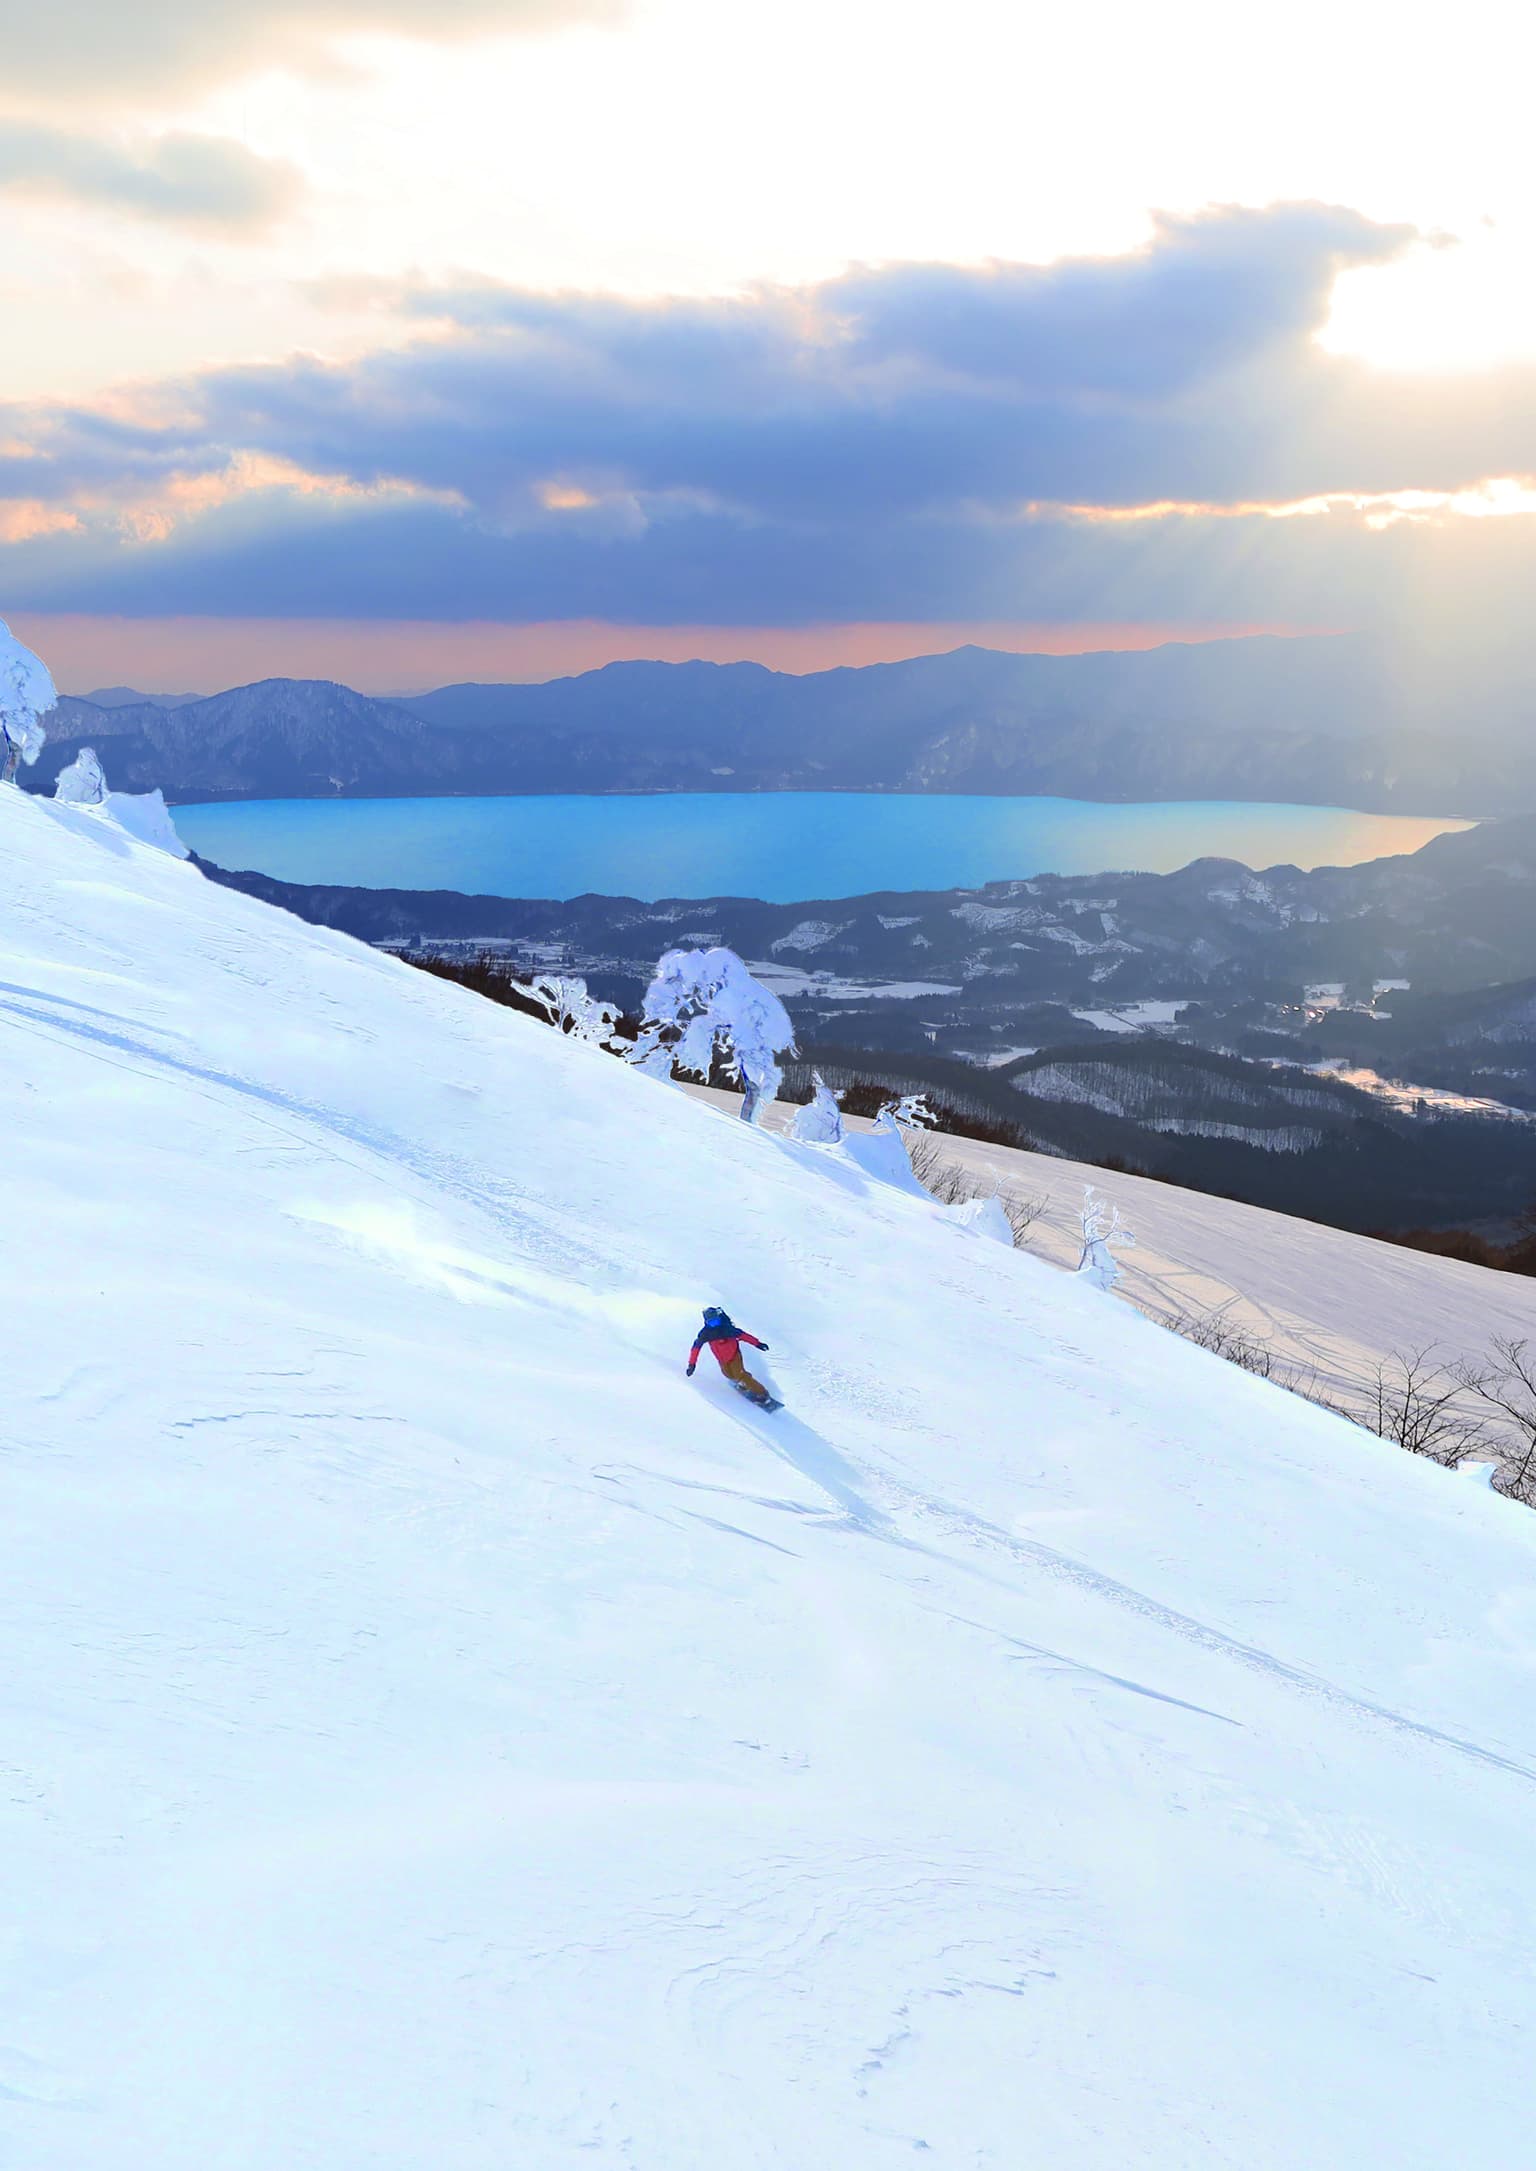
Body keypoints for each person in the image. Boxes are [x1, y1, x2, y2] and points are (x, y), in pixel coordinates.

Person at [686, 1306, 773, 1404]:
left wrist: (758, 1344)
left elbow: (744, 1336)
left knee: (740, 1374)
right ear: (706, 1322)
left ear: (719, 1319)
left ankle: (763, 1394)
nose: (715, 1325)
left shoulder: (727, 1329)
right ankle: (743, 1384)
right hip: (722, 1359)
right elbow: (696, 1349)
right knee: (728, 1374)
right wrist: (692, 1364)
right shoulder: (705, 1334)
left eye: (716, 1321)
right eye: (711, 1323)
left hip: (734, 1354)